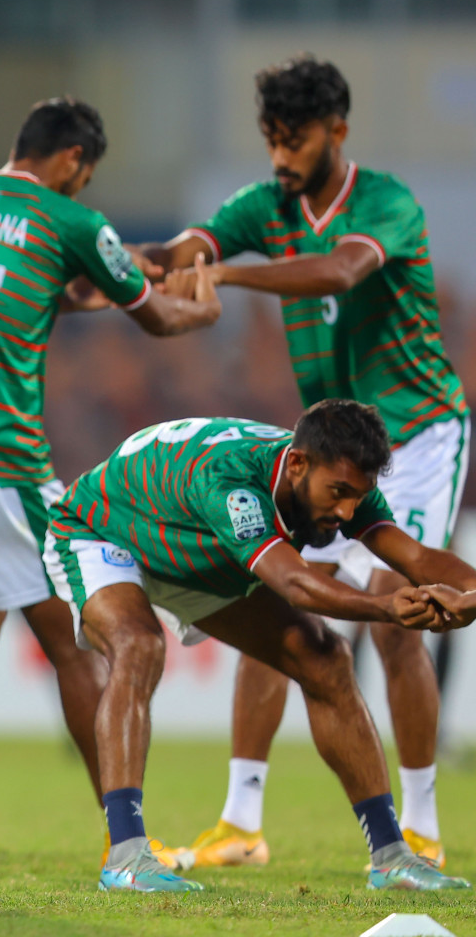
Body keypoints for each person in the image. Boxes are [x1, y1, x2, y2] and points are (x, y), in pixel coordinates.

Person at [150, 55, 467, 869]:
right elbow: (196, 242)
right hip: (328, 445)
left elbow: (339, 269)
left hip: (417, 434)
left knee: (398, 619)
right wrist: (165, 258)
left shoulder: (384, 203)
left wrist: (223, 273)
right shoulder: (268, 204)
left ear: (338, 131)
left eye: (295, 139)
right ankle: (243, 821)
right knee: (277, 601)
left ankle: (423, 825)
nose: (281, 156)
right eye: (271, 139)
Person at [0, 98, 221, 866]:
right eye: (85, 176)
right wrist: (198, 313)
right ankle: (124, 834)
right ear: (74, 159)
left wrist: (104, 269)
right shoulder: (72, 221)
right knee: (76, 645)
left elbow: (29, 284)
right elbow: (160, 320)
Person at [43, 400, 473, 893]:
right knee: (139, 646)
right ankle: (126, 856)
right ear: (297, 465)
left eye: (359, 495)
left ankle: (392, 856)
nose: (347, 511)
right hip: (104, 531)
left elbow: (415, 555)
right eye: (338, 493)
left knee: (324, 657)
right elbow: (295, 585)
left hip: (190, 550)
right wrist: (386, 607)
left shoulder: (338, 476)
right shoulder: (232, 481)